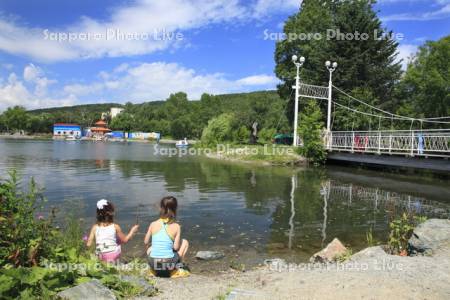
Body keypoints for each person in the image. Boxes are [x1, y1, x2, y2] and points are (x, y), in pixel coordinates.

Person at [144, 196, 189, 277]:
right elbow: (175, 247)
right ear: (174, 209)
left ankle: (154, 271)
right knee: (185, 242)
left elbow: (146, 242)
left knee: (150, 248)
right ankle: (177, 268)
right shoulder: (176, 226)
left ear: (161, 208)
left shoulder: (153, 224)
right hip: (169, 265)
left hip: (153, 264)